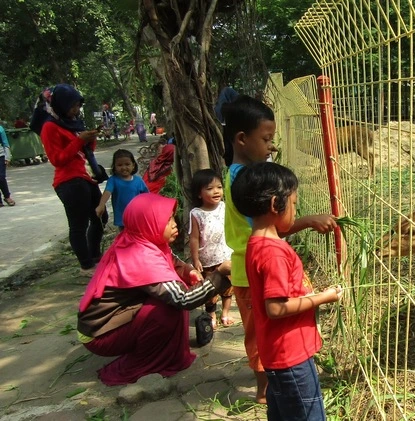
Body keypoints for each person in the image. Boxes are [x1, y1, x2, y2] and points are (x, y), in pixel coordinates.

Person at [222, 94, 337, 404]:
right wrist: (308, 220)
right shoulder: (244, 180)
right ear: (242, 139)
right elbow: (273, 224)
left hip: (249, 265)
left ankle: (270, 383)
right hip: (252, 272)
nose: (271, 146)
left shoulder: (239, 174)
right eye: (267, 139)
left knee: (260, 330)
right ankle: (267, 388)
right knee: (259, 333)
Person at [77, 193, 232, 386]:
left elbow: (173, 262)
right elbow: (184, 299)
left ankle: (157, 350)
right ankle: (147, 362)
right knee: (166, 308)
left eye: (173, 217)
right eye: (166, 220)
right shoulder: (141, 256)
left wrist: (188, 270)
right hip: (99, 335)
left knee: (171, 294)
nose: (174, 224)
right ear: (146, 223)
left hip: (105, 324)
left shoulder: (137, 241)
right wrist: (219, 275)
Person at [232, 162, 342, 420]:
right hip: (291, 357)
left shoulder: (256, 242)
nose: (295, 211)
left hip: (276, 354)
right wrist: (322, 298)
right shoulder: (274, 253)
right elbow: (277, 308)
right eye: (293, 204)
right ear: (274, 205)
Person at [39, 84, 108, 275]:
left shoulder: (74, 124)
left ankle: (94, 256)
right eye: (72, 106)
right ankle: (86, 265)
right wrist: (79, 140)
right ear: (61, 105)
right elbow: (57, 159)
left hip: (86, 177)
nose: (76, 110)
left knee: (100, 217)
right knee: (78, 225)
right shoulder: (50, 127)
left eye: (78, 106)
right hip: (69, 182)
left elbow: (85, 153)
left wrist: (90, 138)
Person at [188, 168, 234, 329]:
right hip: (207, 260)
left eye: (219, 187)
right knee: (211, 290)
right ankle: (211, 314)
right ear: (199, 194)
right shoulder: (196, 213)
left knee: (228, 288)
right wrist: (195, 259)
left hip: (226, 257)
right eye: (209, 188)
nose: (216, 191)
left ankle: (226, 313)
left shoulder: (224, 207)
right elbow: (193, 238)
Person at [95, 149, 148, 231]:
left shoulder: (138, 181)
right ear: (114, 167)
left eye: (127, 164)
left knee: (139, 237)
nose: (124, 167)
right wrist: (101, 204)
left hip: (137, 216)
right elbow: (107, 192)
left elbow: (147, 196)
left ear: (133, 165)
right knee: (125, 238)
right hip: (122, 218)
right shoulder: (113, 180)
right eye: (119, 165)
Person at [0, 122, 14, 206]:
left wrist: (8, 156)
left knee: (1, 177)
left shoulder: (0, 129)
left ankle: (7, 196)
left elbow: (5, 143)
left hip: (1, 155)